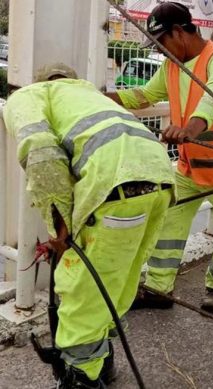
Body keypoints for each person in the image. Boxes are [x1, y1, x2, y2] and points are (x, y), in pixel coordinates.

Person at [3, 63, 175, 388]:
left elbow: (41, 155)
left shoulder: (28, 95)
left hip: (115, 185)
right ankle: (101, 360)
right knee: (115, 283)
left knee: (82, 293)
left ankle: (82, 377)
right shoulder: (91, 95)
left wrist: (61, 231)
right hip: (160, 180)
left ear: (41, 82)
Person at [106, 2, 213, 314]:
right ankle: (160, 288)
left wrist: (189, 129)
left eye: (161, 42)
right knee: (168, 223)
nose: (160, 51)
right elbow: (143, 96)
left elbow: (212, 99)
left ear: (178, 32)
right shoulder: (172, 66)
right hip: (189, 169)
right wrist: (95, 96)